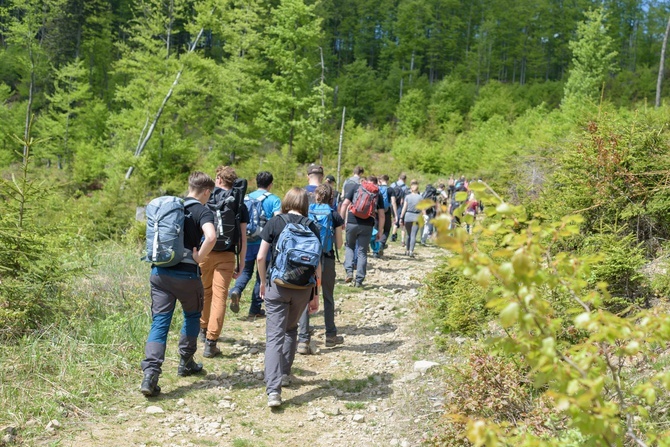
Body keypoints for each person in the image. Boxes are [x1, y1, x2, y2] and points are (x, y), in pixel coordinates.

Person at [140, 172, 216, 397]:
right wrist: (200, 257)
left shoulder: (171, 208)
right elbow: (211, 237)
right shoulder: (201, 210)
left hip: (160, 273)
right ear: (206, 192)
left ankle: (150, 374)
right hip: (186, 276)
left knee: (160, 321)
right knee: (192, 315)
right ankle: (186, 361)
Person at [257, 188, 321, 408]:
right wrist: (315, 294)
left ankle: (273, 391)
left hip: (278, 286)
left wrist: (263, 283)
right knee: (291, 329)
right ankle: (284, 373)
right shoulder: (312, 226)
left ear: (286, 201)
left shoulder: (275, 222)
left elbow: (260, 256)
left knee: (274, 336)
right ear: (305, 204)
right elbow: (316, 264)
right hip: (303, 288)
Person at [199, 166, 248, 357]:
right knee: (220, 297)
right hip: (227, 254)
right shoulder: (239, 203)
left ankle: (203, 330)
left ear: (218, 179)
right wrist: (241, 262)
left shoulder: (206, 199)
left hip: (205, 252)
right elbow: (242, 237)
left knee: (205, 293)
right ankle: (211, 343)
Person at [297, 184, 344, 354]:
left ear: (315, 196)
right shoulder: (334, 215)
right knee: (328, 297)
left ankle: (303, 339)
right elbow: (339, 244)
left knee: (305, 296)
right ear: (331, 198)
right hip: (327, 259)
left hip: (308, 259)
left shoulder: (306, 213)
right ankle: (330, 335)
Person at [228, 171, 281, 319]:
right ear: (270, 184)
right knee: (261, 276)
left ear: (256, 182)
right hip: (264, 242)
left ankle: (236, 290)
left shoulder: (246, 198)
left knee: (245, 271)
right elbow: (278, 221)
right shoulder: (274, 200)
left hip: (247, 240)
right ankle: (255, 309)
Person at [339, 175, 385, 287]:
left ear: (365, 181)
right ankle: (359, 280)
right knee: (362, 251)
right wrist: (380, 231)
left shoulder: (356, 187)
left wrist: (341, 222)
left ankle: (349, 272)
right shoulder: (377, 193)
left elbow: (344, 204)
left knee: (350, 246)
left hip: (352, 221)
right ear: (376, 183)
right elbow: (382, 215)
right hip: (367, 224)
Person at [399, 181, 422, 257]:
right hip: (417, 217)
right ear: (418, 189)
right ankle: (411, 251)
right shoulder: (420, 197)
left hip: (408, 216)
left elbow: (404, 208)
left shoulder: (407, 197)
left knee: (408, 235)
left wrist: (401, 217)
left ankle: (407, 250)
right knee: (413, 235)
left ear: (411, 189)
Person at [377, 175, 397, 257]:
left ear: (380, 180)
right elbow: (393, 202)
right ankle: (382, 243)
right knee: (386, 229)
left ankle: (375, 248)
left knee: (377, 228)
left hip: (377, 211)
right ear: (387, 180)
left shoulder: (377, 189)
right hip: (386, 211)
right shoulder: (390, 189)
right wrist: (395, 214)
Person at [390, 173, 409, 243]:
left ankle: (393, 235)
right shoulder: (406, 187)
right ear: (405, 179)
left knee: (394, 218)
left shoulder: (393, 185)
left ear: (399, 178)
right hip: (401, 206)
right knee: (401, 221)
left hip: (392, 204)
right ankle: (396, 237)